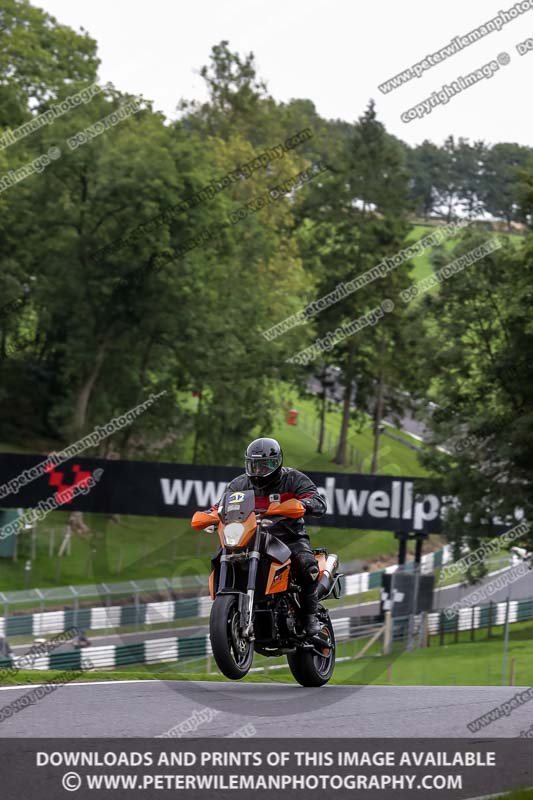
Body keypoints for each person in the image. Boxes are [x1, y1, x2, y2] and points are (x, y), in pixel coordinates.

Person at [214, 437, 327, 636]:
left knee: (307, 565)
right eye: (254, 466)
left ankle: (310, 616)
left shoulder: (293, 479)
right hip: (249, 537)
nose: (259, 471)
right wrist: (210, 514)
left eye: (265, 466)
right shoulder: (239, 484)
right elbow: (221, 506)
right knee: (221, 555)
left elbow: (317, 500)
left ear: (277, 463)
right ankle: (230, 609)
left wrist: (303, 505)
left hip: (289, 537)